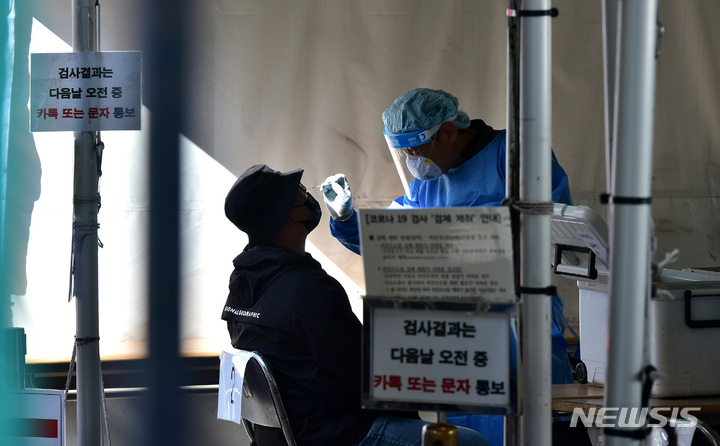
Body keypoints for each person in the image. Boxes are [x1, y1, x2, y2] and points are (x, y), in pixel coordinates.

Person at [221, 164, 488, 446]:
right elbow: (365, 379)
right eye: (298, 191)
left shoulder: (243, 280)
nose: (306, 192)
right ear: (286, 216)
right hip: (335, 434)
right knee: (469, 442)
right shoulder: (308, 288)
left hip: (280, 437)